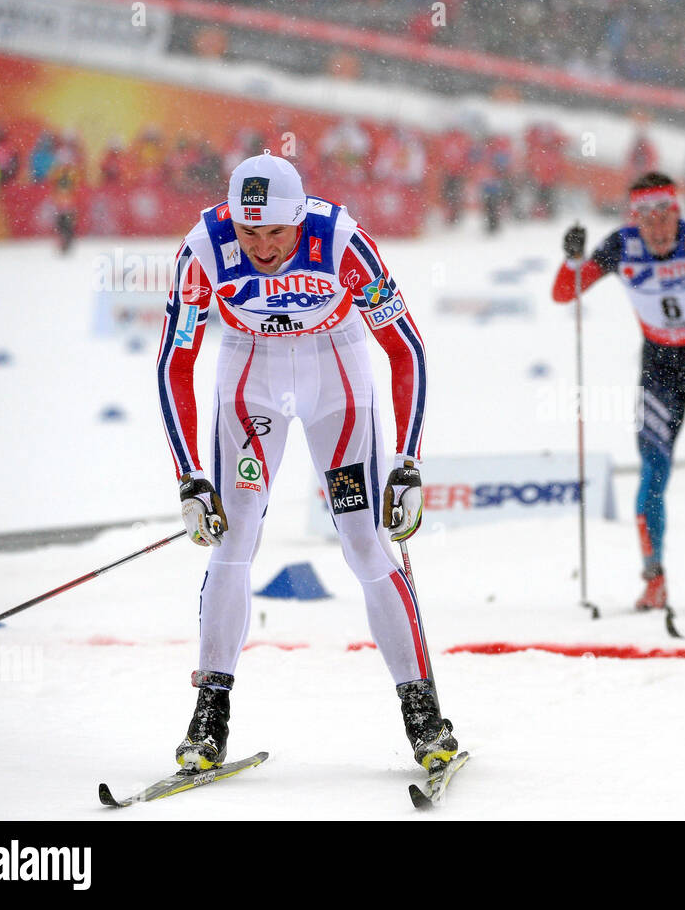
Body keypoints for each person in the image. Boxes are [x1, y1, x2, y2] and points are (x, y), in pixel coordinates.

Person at [155, 151, 460, 776]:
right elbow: (173, 366)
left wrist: (407, 461)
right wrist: (191, 476)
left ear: (300, 218)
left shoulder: (342, 242)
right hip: (251, 370)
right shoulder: (203, 250)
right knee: (232, 539)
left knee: (367, 545)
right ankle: (209, 717)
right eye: (250, 231)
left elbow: (407, 351)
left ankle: (423, 716)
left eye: (276, 232)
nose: (263, 248)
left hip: (335, 374)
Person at [552, 172, 685, 611]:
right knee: (653, 474)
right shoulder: (621, 245)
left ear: (678, 212)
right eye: (645, 216)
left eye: (665, 215)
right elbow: (565, 293)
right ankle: (653, 577)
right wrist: (572, 260)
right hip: (661, 368)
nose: (657, 227)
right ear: (633, 217)